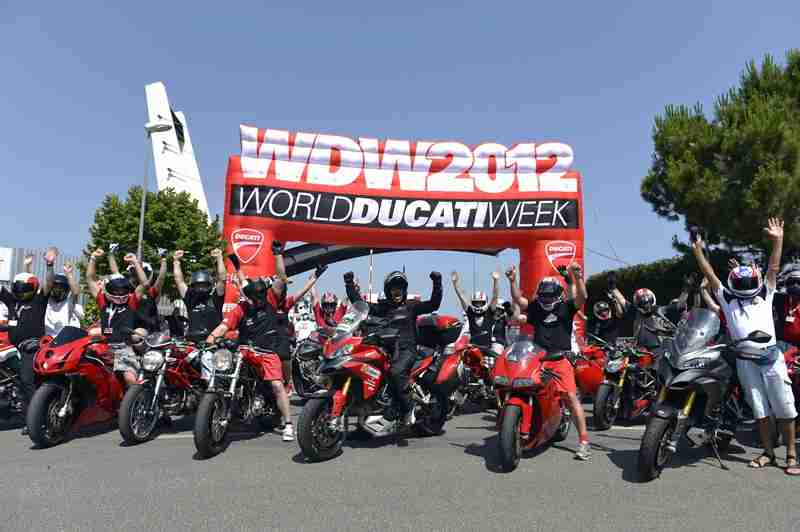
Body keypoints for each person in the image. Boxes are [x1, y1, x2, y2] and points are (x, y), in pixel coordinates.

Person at [693, 218, 799, 475]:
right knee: (760, 411)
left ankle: (791, 455)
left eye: (749, 283)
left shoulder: (766, 292)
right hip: (745, 362)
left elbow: (773, 267)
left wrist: (778, 239)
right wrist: (697, 250)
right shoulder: (726, 298)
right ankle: (768, 453)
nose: (746, 288)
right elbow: (710, 274)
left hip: (771, 358)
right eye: (741, 284)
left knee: (785, 408)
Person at [206, 267, 319, 442]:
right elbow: (224, 326)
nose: (256, 300)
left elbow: (284, 280)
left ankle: (288, 424)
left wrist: (311, 277)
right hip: (244, 351)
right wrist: (212, 338)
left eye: (259, 297)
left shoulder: (271, 303)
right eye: (253, 297)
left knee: (277, 385)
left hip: (267, 352)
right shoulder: (241, 308)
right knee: (223, 369)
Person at [506, 262, 592, 461]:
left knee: (570, 398)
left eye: (550, 295)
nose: (546, 299)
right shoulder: (536, 308)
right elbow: (519, 300)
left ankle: (584, 442)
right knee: (522, 386)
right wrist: (512, 281)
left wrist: (578, 277)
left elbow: (583, 297)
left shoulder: (567, 307)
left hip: (560, 359)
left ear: (559, 294)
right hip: (537, 358)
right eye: (543, 295)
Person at [344, 268, 442, 425]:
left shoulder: (412, 307)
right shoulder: (383, 308)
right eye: (393, 288)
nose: (397, 291)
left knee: (395, 372)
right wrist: (349, 284)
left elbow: (434, 304)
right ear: (388, 291)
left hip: (407, 349)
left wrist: (437, 283)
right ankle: (369, 414)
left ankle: (408, 407)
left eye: (400, 287)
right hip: (387, 349)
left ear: (404, 290)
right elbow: (360, 304)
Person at [87, 249, 150, 388]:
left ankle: (133, 399)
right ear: (109, 289)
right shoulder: (102, 300)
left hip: (123, 347)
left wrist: (135, 262)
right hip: (102, 347)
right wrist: (93, 258)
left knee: (130, 378)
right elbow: (90, 279)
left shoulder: (131, 301)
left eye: (122, 291)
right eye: (116, 291)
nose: (120, 294)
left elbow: (145, 284)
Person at [608, 273, 679, 355]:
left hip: (661, 347)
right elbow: (622, 300)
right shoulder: (635, 312)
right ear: (637, 304)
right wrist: (613, 288)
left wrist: (686, 290)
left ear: (652, 300)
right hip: (642, 351)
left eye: (647, 303)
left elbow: (679, 306)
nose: (646, 306)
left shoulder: (659, 310)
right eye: (642, 304)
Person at [173, 248, 227, 344]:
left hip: (214, 342)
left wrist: (219, 258)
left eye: (203, 285)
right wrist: (176, 262)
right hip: (193, 342)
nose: (201, 288)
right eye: (198, 285)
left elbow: (222, 279)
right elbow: (179, 281)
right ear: (193, 286)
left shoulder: (215, 297)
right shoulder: (190, 298)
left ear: (209, 285)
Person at [451, 271, 502, 353]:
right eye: (476, 303)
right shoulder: (470, 313)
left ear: (485, 302)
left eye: (480, 303)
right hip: (472, 350)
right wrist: (455, 283)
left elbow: (495, 296)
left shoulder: (489, 312)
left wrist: (496, 281)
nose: (478, 305)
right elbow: (461, 297)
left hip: (488, 351)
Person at [44, 261, 84, 337]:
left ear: (67, 289)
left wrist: (69, 274)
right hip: (48, 339)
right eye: (56, 287)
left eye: (61, 288)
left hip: (67, 339)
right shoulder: (45, 302)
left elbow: (76, 292)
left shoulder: (70, 302)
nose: (58, 290)